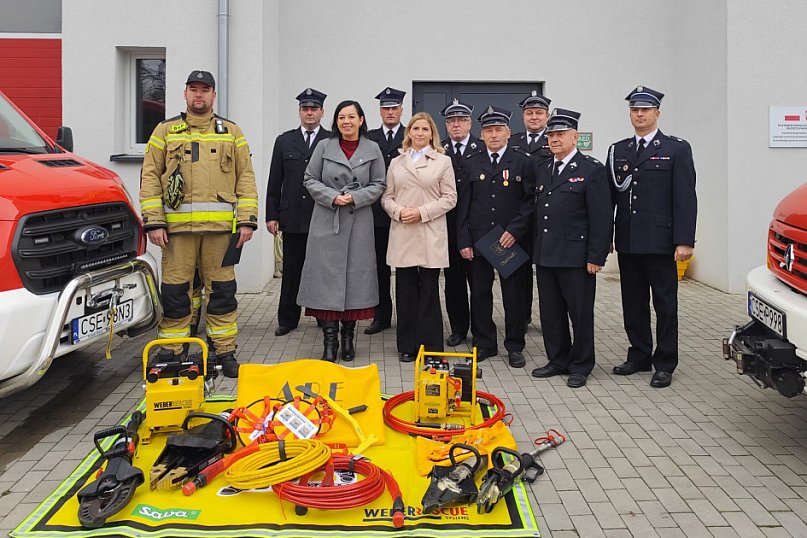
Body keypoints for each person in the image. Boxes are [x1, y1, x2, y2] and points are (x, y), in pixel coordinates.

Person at [139, 70, 258, 378]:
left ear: (213, 95)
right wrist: (153, 222)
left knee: (222, 292)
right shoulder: (165, 131)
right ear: (185, 94)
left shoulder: (231, 131)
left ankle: (224, 351)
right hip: (176, 235)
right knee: (176, 293)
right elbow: (150, 177)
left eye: (205, 90)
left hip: (220, 233)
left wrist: (247, 220)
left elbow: (246, 177)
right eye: (194, 90)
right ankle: (173, 351)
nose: (199, 95)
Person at [608, 85, 697, 388]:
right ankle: (639, 355)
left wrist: (684, 240)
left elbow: (685, 198)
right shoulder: (618, 150)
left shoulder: (676, 148)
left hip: (661, 242)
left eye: (645, 110)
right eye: (635, 110)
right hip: (629, 240)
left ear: (657, 113)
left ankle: (665, 362)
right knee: (632, 302)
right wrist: (606, 237)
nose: (640, 114)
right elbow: (609, 198)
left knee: (664, 303)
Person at [297, 100, 386, 362]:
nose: (346, 121)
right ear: (335, 122)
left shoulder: (373, 148)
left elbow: (380, 183)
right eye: (341, 117)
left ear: (361, 120)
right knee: (327, 281)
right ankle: (329, 341)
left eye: (351, 116)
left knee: (355, 282)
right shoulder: (324, 146)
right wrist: (333, 197)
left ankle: (348, 339)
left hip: (358, 222)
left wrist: (355, 197)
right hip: (327, 221)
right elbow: (309, 178)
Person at [530, 109, 612, 388]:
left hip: (577, 258)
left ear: (575, 137)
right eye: (551, 134)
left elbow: (601, 217)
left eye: (560, 134)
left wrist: (596, 256)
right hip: (546, 254)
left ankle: (581, 364)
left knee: (580, 313)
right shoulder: (544, 169)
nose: (554, 139)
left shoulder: (591, 169)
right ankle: (558, 360)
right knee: (550, 312)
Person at [456, 106, 536, 368]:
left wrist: (514, 230)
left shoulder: (522, 161)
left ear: (508, 133)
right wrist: (464, 240)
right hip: (480, 240)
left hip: (506, 240)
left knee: (513, 295)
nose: (493, 135)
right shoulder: (471, 162)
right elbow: (464, 206)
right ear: (482, 135)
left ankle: (514, 345)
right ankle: (484, 342)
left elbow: (529, 202)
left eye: (498, 130)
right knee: (479, 294)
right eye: (488, 130)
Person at [382, 112, 457, 362]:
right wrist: (399, 212)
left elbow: (450, 198)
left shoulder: (442, 162)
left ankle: (431, 346)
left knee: (428, 292)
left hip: (429, 232)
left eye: (425, 129)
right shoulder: (396, 162)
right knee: (405, 292)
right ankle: (407, 344)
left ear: (432, 134)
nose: (420, 133)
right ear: (409, 133)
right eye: (415, 129)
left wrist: (421, 213)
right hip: (403, 230)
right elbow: (386, 197)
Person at [266, 88, 330, 337]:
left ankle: (323, 316)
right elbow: (275, 180)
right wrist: (272, 214)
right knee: (292, 269)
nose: (309, 113)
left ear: (322, 112)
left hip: (321, 216)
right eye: (305, 108)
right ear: (300, 112)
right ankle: (288, 319)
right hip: (292, 217)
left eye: (314, 108)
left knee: (321, 270)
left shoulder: (331, 140)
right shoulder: (284, 140)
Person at [440, 99, 483, 347]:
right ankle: (458, 328)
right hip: (447, 227)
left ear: (470, 123)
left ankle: (480, 330)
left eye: (461, 120)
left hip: (476, 228)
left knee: (478, 284)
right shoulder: (439, 149)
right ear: (446, 125)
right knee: (453, 283)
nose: (456, 125)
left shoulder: (481, 147)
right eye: (451, 120)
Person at [365, 87, 406, 335]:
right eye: (385, 108)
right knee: (379, 267)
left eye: (394, 108)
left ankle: (406, 316)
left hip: (404, 213)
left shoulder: (411, 135)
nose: (390, 112)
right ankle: (381, 316)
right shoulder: (369, 138)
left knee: (404, 270)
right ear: (380, 111)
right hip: (377, 213)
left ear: (401, 109)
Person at [511, 91, 553, 329]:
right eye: (529, 113)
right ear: (523, 116)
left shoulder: (556, 139)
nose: (534, 117)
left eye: (539, 113)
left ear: (547, 115)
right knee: (521, 270)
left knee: (547, 271)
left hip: (547, 217)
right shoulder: (513, 141)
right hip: (522, 217)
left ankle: (550, 317)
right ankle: (523, 315)